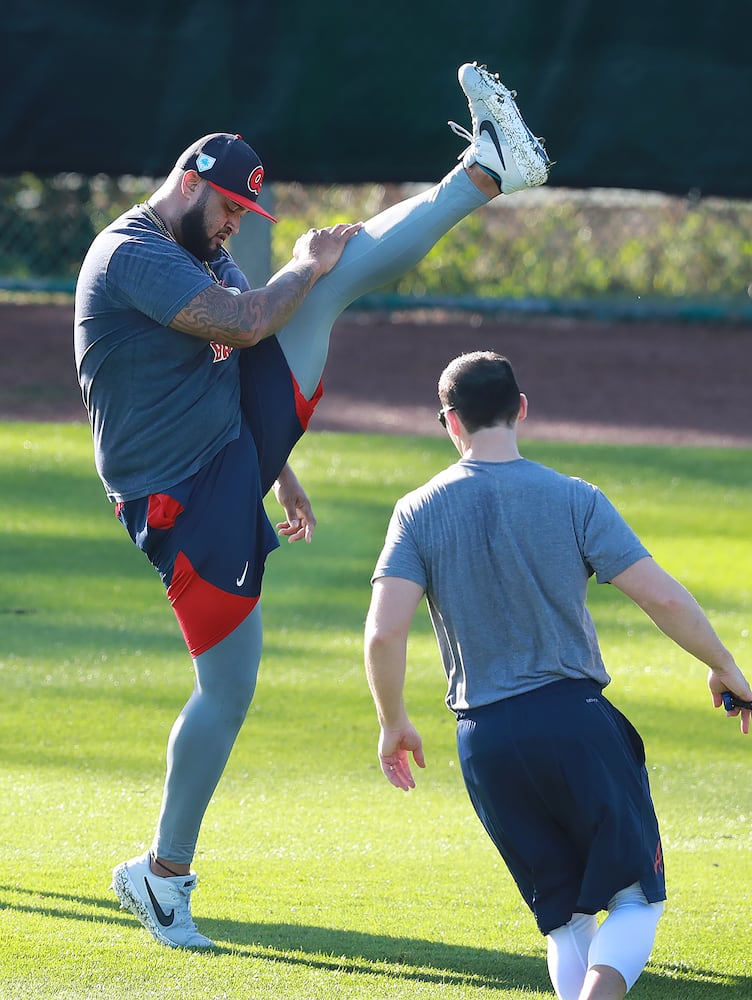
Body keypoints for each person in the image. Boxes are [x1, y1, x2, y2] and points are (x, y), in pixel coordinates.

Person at [73, 64, 551, 948]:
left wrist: (276, 464)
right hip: (179, 498)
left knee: (329, 279)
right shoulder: (131, 252)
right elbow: (247, 323)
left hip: (226, 454)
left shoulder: (194, 248)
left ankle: (485, 173)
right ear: (189, 182)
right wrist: (296, 265)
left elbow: (236, 337)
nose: (231, 228)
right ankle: (161, 876)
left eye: (241, 219)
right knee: (228, 688)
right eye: (226, 210)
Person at [364, 350, 752, 1000]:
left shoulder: (415, 511)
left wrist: (392, 722)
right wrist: (725, 668)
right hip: (574, 725)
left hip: (484, 743)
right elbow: (660, 597)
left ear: (449, 422)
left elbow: (383, 631)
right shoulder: (575, 498)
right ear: (520, 408)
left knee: (563, 919)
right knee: (635, 899)